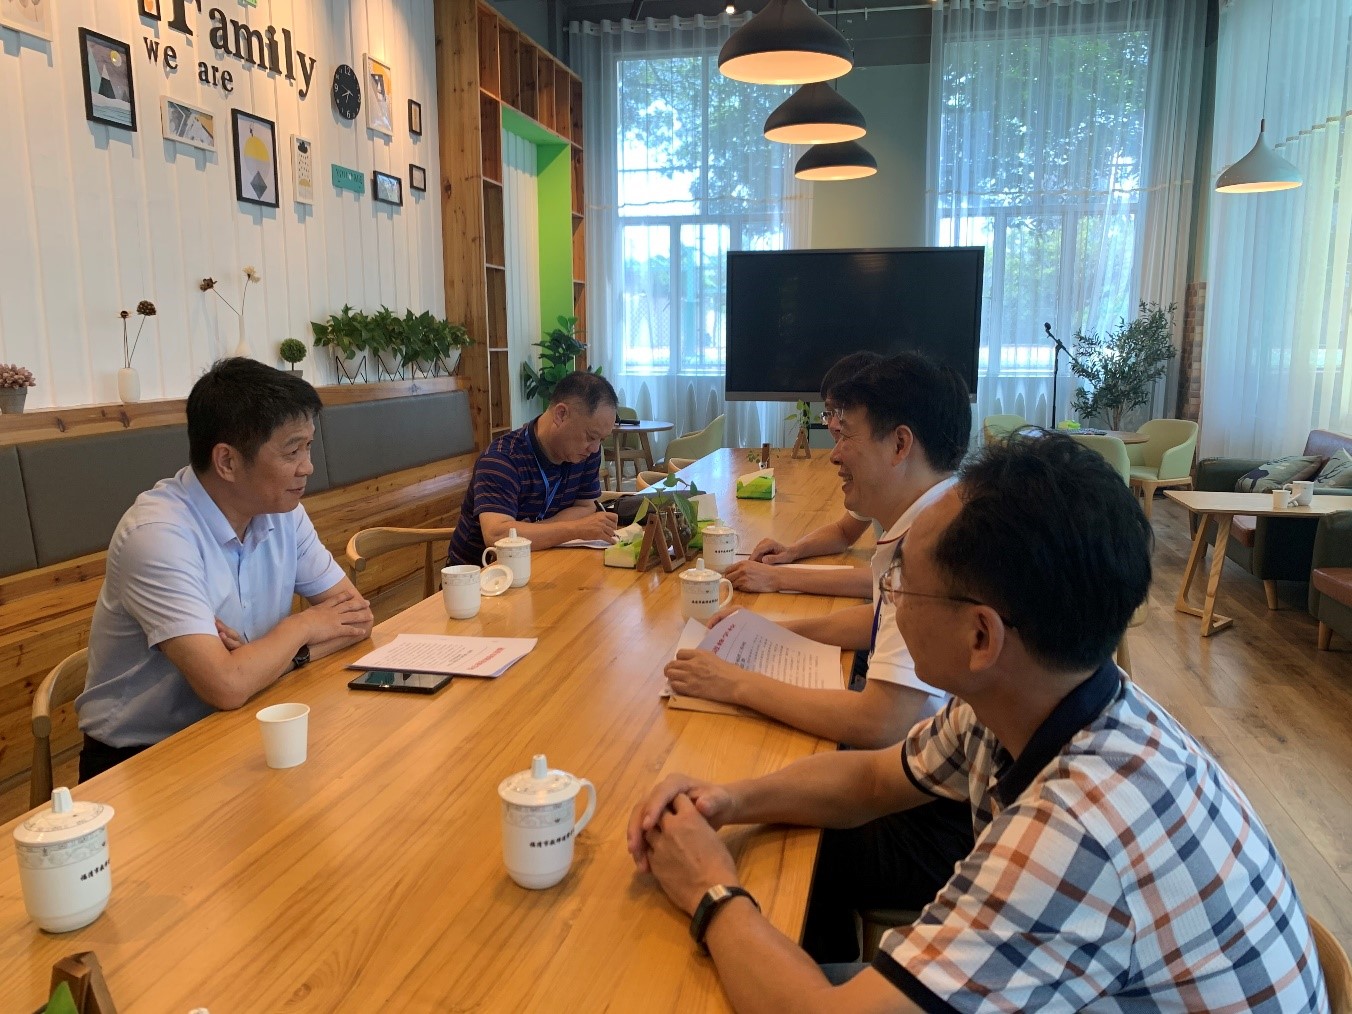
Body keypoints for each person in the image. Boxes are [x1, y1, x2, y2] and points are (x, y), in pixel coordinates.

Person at [627, 434, 1328, 1012]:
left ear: (981, 637)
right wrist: (730, 800)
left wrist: (711, 890)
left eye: (901, 583)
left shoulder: (1076, 830)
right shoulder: (1043, 702)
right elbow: (873, 779)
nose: (888, 601)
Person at [76, 359, 374, 780]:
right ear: (227, 462)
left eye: (309, 446)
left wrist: (265, 659)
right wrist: (302, 626)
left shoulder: (282, 511)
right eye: (292, 451)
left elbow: (357, 619)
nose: (307, 466)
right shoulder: (158, 535)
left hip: (247, 718)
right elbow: (227, 686)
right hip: (140, 763)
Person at [666, 354, 972, 750]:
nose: (834, 453)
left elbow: (878, 722)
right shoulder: (938, 516)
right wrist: (770, 631)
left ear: (900, 445)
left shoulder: (933, 551)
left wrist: (735, 683)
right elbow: (882, 617)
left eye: (847, 436)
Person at [722, 351, 881, 600]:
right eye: (829, 413)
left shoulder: (917, 499)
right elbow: (844, 532)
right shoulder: (875, 477)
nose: (833, 425)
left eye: (842, 413)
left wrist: (778, 577)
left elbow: (885, 582)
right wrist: (791, 551)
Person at [447, 371, 619, 566]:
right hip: (482, 574)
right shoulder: (502, 459)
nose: (595, 448)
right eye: (590, 436)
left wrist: (535, 530)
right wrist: (575, 529)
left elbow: (585, 507)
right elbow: (497, 536)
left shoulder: (586, 453)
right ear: (561, 414)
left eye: (601, 439)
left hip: (543, 558)